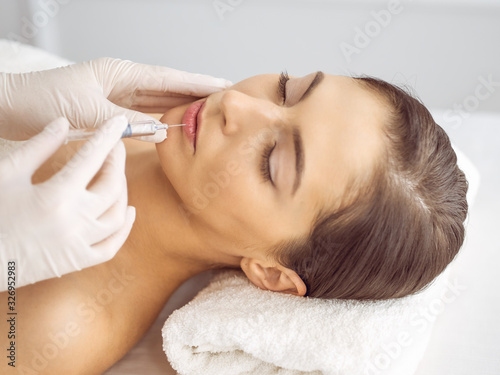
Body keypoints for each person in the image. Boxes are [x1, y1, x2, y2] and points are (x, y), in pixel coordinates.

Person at [0, 71, 468, 374]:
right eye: (288, 90)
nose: (240, 107)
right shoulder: (141, 111)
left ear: (271, 273)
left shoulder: (61, 327)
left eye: (271, 161)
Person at [0, 58, 231, 289]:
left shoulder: (60, 319)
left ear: (268, 272)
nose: (235, 103)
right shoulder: (103, 108)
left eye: (268, 162)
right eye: (269, 92)